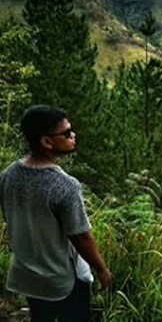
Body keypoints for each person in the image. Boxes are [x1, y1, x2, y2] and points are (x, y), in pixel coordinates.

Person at [0, 105, 111, 322]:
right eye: (67, 133)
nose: (73, 135)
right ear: (46, 141)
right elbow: (81, 237)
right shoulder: (64, 185)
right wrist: (102, 269)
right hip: (62, 278)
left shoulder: (8, 175)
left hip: (27, 275)